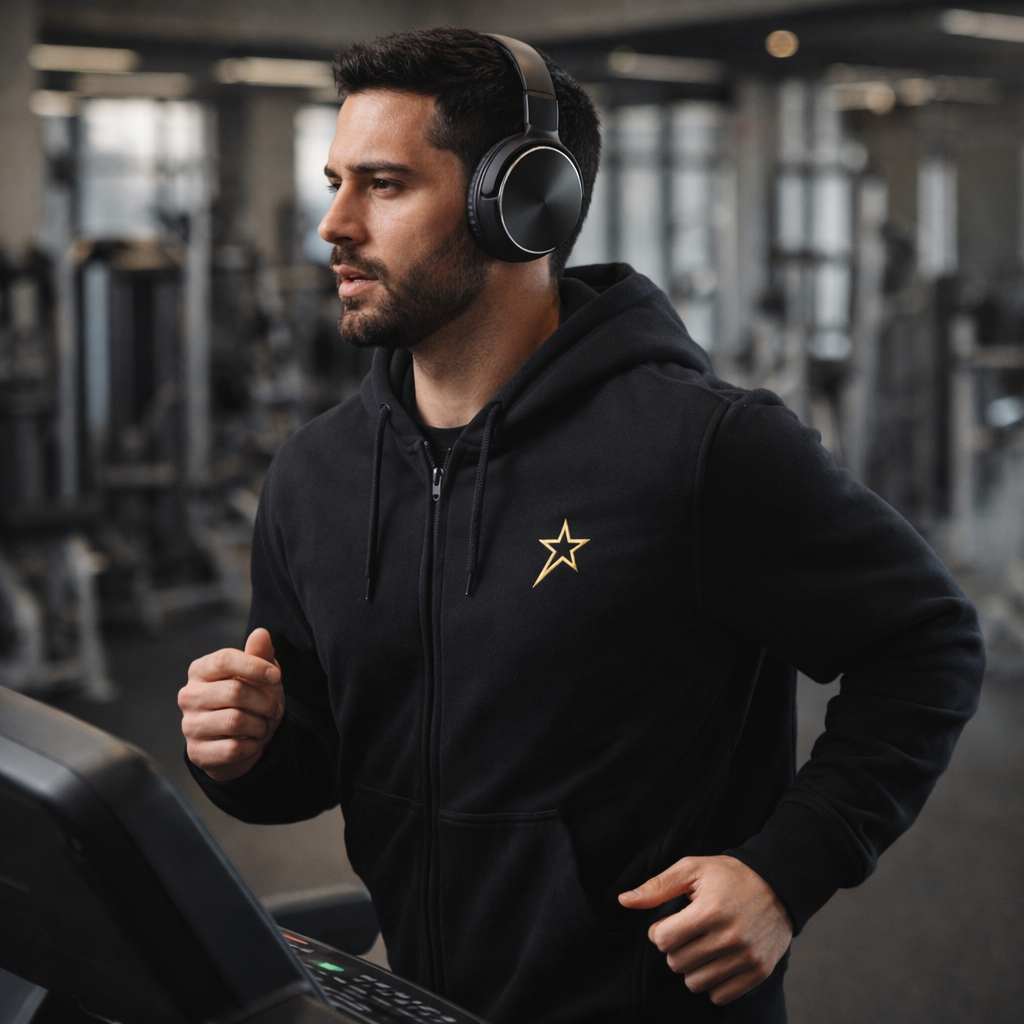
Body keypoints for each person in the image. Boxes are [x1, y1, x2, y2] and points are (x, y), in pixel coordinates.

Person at [178, 27, 984, 1024]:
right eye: (336, 182)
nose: (333, 225)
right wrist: (245, 749)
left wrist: (787, 868)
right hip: (420, 1002)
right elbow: (311, 761)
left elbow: (927, 641)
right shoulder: (315, 475)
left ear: (522, 204)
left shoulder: (700, 447)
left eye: (383, 185)